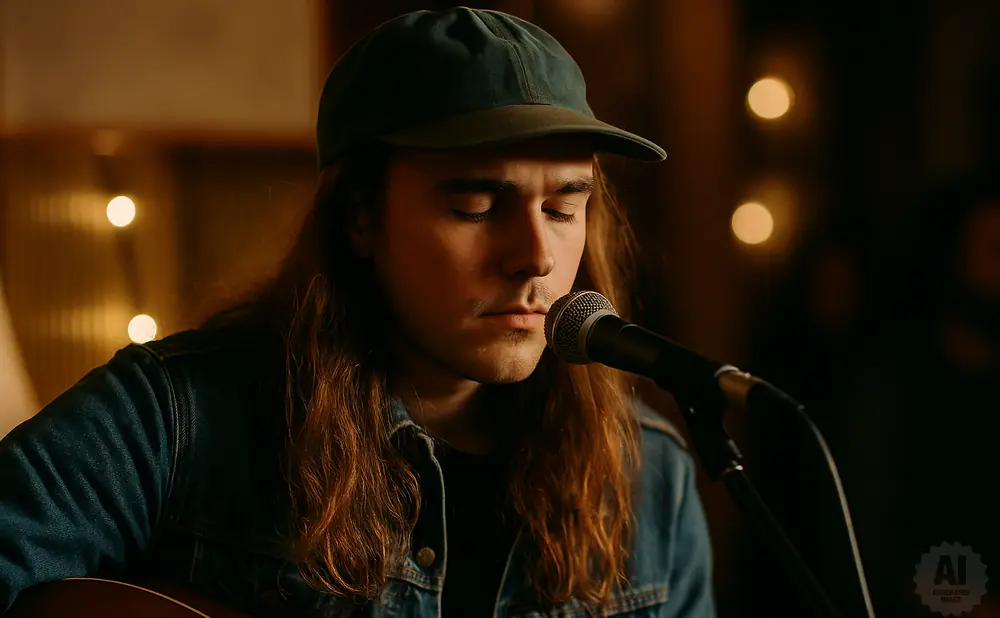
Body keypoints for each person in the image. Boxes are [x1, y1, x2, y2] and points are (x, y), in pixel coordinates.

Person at [0, 8, 715, 617]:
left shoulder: (650, 473)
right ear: (359, 216)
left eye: (564, 206)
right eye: (475, 205)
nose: (535, 255)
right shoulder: (174, 418)